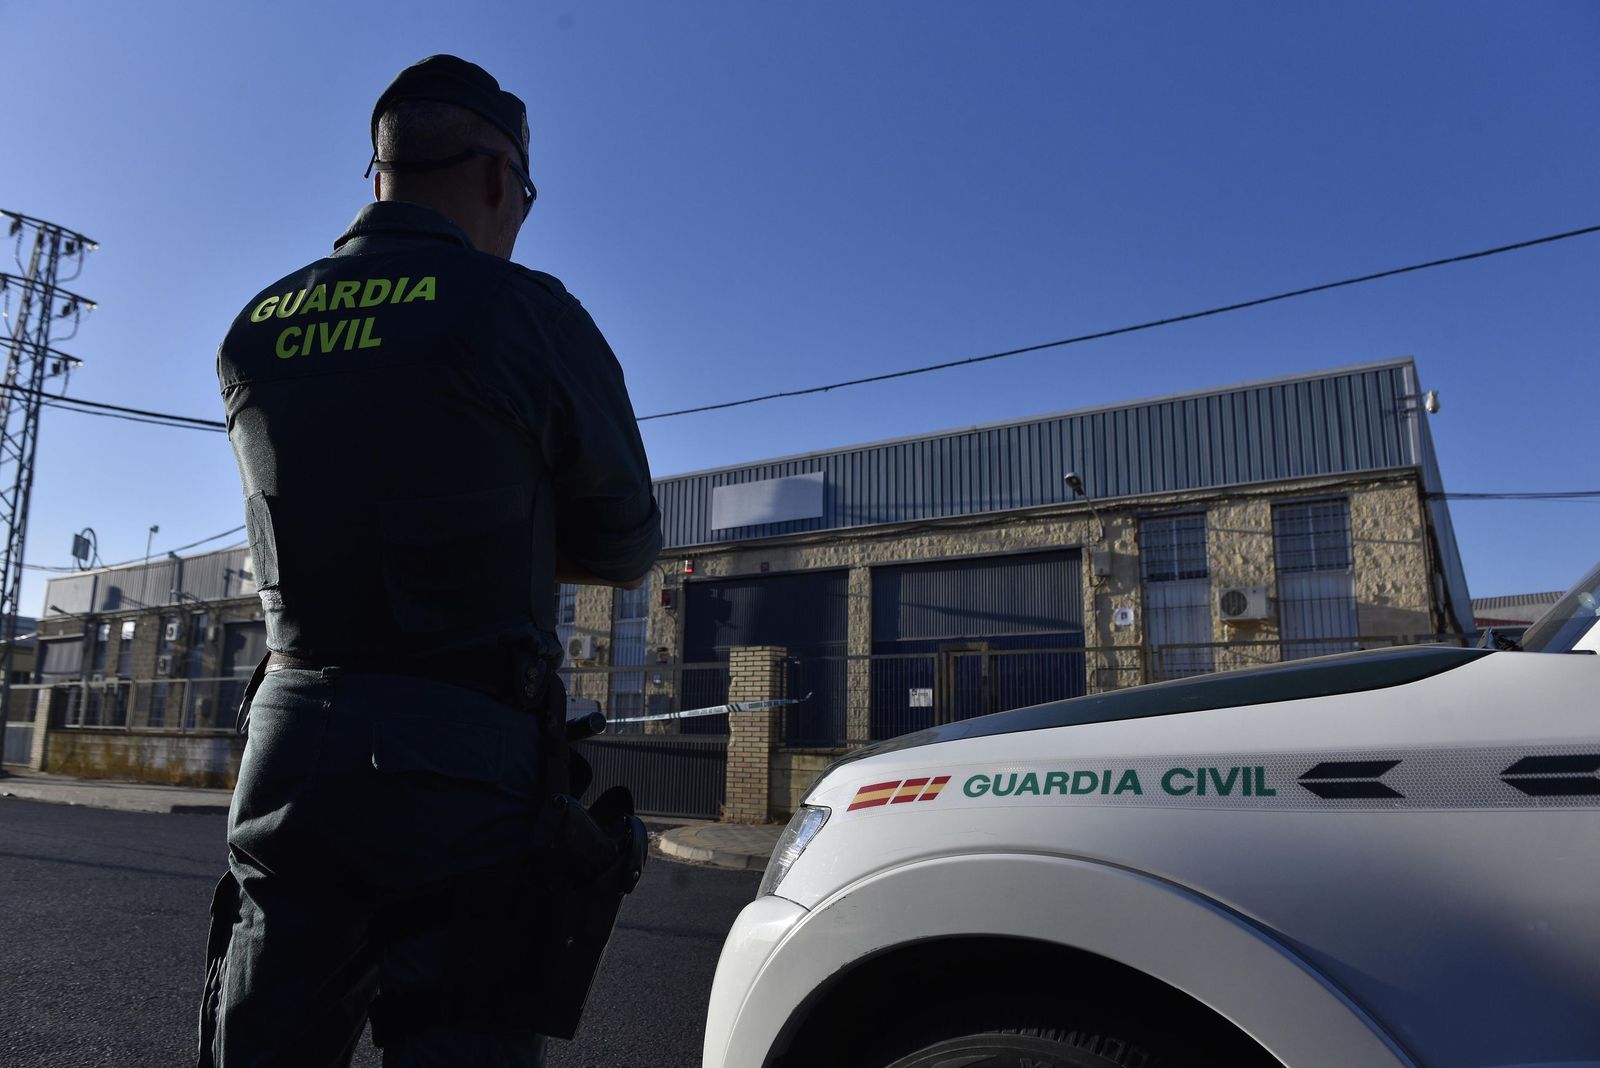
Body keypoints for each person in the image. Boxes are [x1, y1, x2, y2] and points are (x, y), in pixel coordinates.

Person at [197, 55, 661, 1067]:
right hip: (463, 763)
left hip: (287, 745)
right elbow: (629, 542)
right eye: (524, 196)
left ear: (378, 179)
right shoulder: (524, 313)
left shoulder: (256, 329)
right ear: (500, 178)